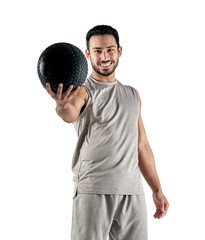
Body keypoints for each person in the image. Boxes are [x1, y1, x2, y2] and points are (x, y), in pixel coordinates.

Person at [43, 25, 169, 240]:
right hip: (93, 190)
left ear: (119, 51)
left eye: (110, 50)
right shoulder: (82, 91)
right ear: (88, 54)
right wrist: (61, 104)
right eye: (98, 51)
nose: (104, 57)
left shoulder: (132, 95)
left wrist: (157, 189)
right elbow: (70, 113)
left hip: (132, 192)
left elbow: (142, 146)